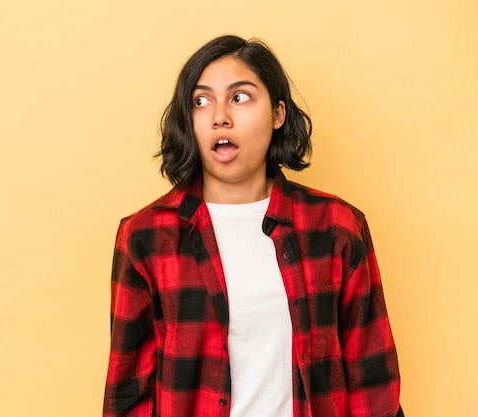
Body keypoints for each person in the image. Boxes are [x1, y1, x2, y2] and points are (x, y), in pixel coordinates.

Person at [103, 35, 403, 417]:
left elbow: (372, 381)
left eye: (239, 97)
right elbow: (128, 393)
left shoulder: (337, 227)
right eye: (201, 101)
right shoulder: (145, 237)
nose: (220, 116)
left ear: (278, 113)